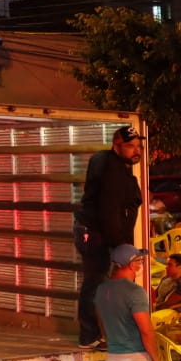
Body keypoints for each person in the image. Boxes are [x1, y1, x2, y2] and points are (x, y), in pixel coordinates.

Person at [74, 125, 145, 349]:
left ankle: (100, 333)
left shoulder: (115, 165)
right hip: (98, 235)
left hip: (100, 234)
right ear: (117, 146)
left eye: (139, 146)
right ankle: (89, 335)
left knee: (100, 284)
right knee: (95, 283)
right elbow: (110, 209)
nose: (136, 150)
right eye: (130, 146)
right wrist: (120, 246)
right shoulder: (112, 170)